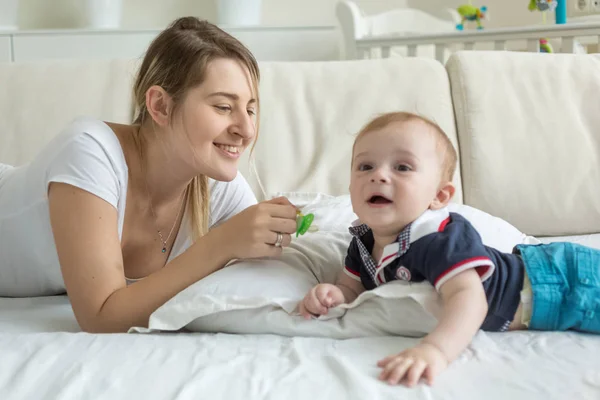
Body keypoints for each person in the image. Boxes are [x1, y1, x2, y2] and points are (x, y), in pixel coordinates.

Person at [0, 17, 298, 333]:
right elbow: (100, 316)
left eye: (250, 109)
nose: (247, 130)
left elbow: (266, 281)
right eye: (224, 107)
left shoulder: (219, 189)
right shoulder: (89, 153)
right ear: (161, 106)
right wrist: (220, 244)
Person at [298, 111, 600, 387]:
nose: (379, 175)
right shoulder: (362, 244)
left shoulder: (438, 236)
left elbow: (470, 299)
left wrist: (435, 349)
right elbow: (351, 289)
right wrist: (331, 295)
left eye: (402, 167)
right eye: (365, 166)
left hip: (560, 281)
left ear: (439, 196)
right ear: (350, 186)